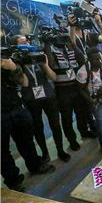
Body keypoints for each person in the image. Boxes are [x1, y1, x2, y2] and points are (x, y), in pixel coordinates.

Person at [11, 35, 70, 163]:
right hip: (30, 98)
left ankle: (60, 150)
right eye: (22, 43)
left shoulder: (39, 55)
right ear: (16, 47)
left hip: (48, 95)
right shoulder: (16, 62)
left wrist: (44, 64)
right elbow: (23, 83)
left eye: (27, 41)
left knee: (55, 124)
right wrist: (20, 63)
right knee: (38, 128)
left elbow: (53, 77)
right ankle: (45, 153)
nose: (27, 44)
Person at [1, 58, 55, 192]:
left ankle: (35, 166)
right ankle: (13, 181)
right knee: (2, 151)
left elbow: (24, 82)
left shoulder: (4, 63)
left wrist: (14, 68)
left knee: (26, 141)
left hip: (16, 107)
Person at [44, 31, 84, 151]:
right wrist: (47, 45)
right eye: (59, 37)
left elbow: (81, 59)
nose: (62, 39)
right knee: (67, 118)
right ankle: (72, 140)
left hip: (75, 87)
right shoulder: (51, 50)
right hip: (62, 91)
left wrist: (72, 42)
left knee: (80, 113)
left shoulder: (69, 48)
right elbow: (50, 64)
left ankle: (84, 132)